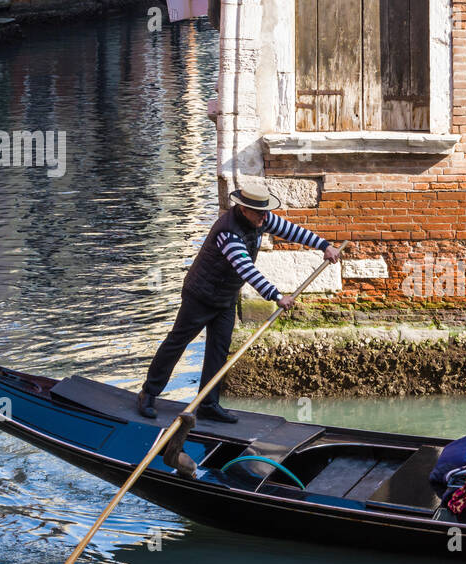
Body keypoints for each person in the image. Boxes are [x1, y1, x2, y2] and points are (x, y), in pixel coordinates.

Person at [137, 180, 340, 424]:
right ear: (244, 209)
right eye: (259, 214)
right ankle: (149, 393)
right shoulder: (227, 231)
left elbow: (291, 230)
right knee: (177, 342)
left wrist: (324, 245)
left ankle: (208, 404)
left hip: (225, 297)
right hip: (200, 296)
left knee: (218, 350)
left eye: (266, 213)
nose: (264, 219)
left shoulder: (261, 218)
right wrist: (276, 296)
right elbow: (246, 269)